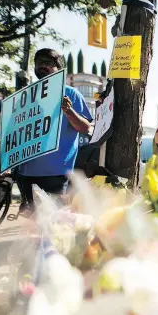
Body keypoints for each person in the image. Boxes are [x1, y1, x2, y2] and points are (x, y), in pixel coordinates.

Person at [17, 48, 92, 215]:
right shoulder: (25, 96)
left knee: (55, 224)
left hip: (55, 173)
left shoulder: (71, 94)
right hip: (25, 172)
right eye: (39, 63)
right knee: (33, 224)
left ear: (58, 68)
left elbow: (86, 128)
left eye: (48, 63)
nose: (42, 66)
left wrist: (69, 111)